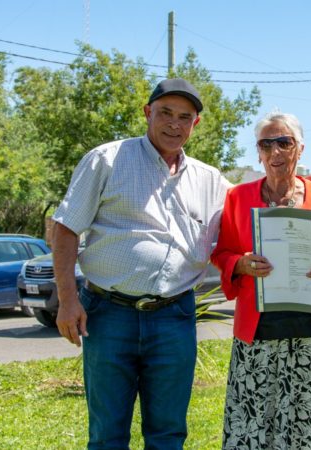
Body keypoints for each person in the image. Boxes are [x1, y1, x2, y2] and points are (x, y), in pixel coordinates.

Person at [51, 78, 231, 449]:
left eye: (185, 117)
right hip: (108, 314)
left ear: (195, 124)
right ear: (148, 113)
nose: (174, 124)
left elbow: (252, 207)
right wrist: (68, 301)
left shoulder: (210, 179)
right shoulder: (107, 159)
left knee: (167, 433)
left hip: (174, 316)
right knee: (107, 435)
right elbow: (66, 230)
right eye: (165, 113)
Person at [211, 112, 311, 449]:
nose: (275, 151)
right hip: (256, 335)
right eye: (266, 144)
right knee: (253, 428)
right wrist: (240, 264)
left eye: (284, 142)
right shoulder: (238, 197)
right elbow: (222, 253)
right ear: (258, 152)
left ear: (299, 149)